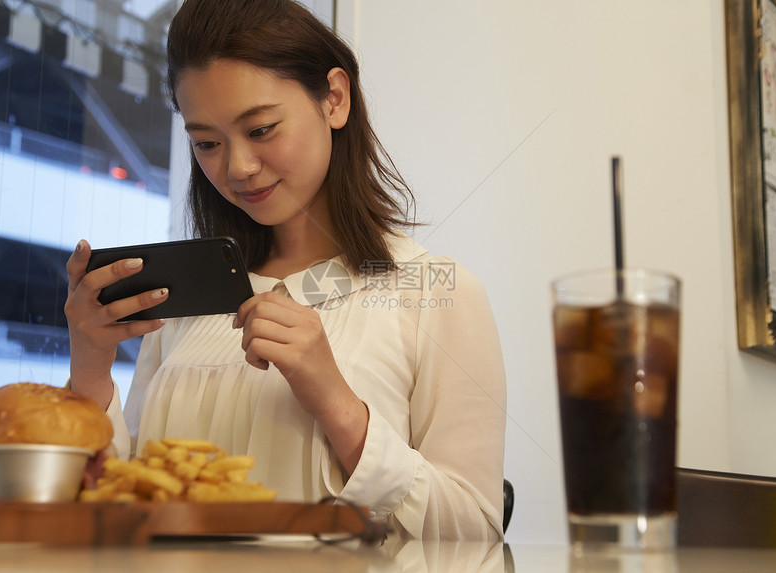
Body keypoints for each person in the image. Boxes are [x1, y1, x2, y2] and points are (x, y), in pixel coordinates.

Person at [64, 0, 506, 541]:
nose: (237, 168)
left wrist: (337, 404)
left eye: (262, 129)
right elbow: (119, 497)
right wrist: (90, 368)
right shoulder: (187, 297)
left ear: (335, 99)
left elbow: (475, 533)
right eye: (206, 143)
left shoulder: (437, 292)